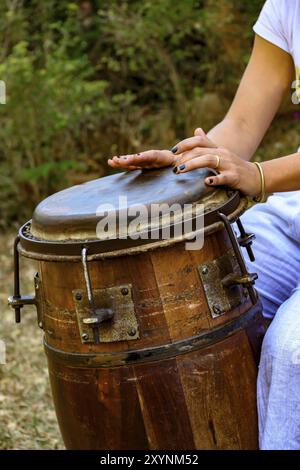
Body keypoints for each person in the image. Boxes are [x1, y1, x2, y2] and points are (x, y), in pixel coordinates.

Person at [108, 0, 300, 450]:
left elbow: (257, 171)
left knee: (292, 353)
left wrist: (261, 176)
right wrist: (186, 164)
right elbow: (240, 123)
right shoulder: (287, 9)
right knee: (190, 294)